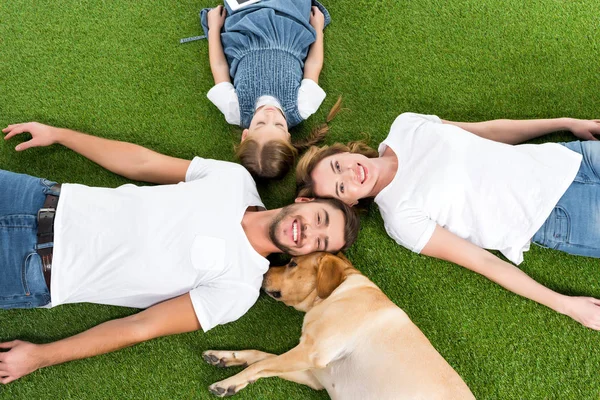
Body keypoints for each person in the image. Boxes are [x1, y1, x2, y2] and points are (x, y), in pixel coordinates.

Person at [0, 121, 359, 384]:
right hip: (36, 196)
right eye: (320, 218)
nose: (311, 231)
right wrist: (61, 135)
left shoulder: (239, 290)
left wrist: (40, 357)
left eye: (321, 241)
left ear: (313, 254)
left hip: (33, 269)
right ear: (305, 201)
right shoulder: (235, 180)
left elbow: (139, 327)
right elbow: (141, 164)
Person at [295, 112, 600, 330]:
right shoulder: (401, 219)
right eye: (341, 187)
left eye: (337, 165)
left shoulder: (406, 126)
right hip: (560, 217)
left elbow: (488, 131)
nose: (350, 174)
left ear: (343, 153)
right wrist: (565, 304)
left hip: (571, 158)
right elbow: (483, 262)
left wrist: (566, 123)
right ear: (347, 203)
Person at [201, 0, 333, 179]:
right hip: (290, 22)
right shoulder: (302, 106)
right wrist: (318, 28)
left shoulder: (235, 110)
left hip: (247, 22)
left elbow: (219, 66)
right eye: (279, 125)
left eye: (260, 123)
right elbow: (313, 64)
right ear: (287, 136)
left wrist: (214, 28)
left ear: (245, 134)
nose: (270, 115)